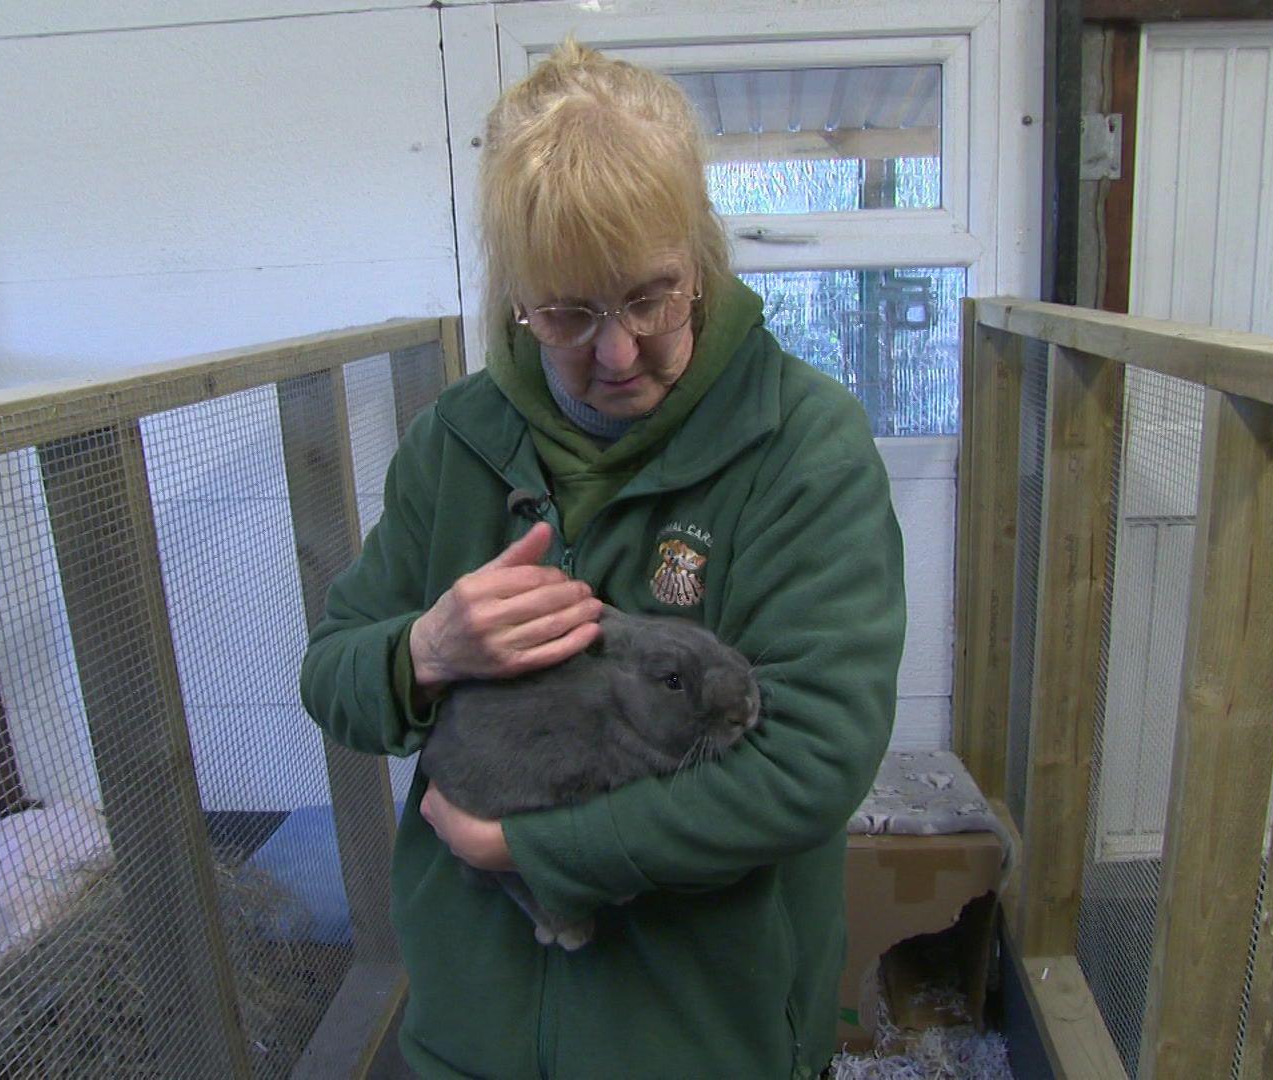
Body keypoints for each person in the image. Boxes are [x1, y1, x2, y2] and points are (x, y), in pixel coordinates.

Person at [300, 39, 906, 1079]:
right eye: (569, 314)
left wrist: (538, 855)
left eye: (650, 297)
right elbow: (332, 672)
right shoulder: (457, 441)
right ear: (516, 299)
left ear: (701, 256)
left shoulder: (803, 445)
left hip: (702, 1038)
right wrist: (426, 649)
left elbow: (812, 763)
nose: (617, 353)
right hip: (472, 1027)